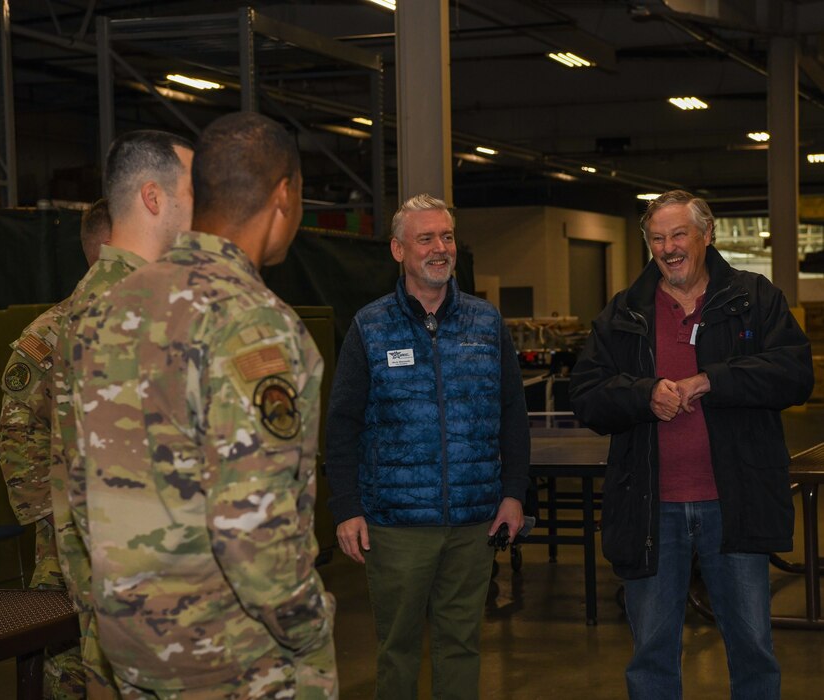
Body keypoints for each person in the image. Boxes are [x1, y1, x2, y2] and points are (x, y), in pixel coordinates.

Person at [63, 111, 336, 699]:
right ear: (284, 195)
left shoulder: (105, 309)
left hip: (132, 644)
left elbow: (81, 486)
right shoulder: (254, 322)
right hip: (231, 656)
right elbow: (253, 529)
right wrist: (310, 626)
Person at [569, 190, 814, 699]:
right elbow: (587, 395)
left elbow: (794, 374)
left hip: (735, 504)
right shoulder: (623, 313)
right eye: (657, 238)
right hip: (650, 510)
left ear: (708, 235)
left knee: (752, 648)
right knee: (652, 654)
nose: (669, 247)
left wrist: (711, 381)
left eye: (680, 234)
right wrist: (643, 395)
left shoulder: (755, 298)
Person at [325, 193, 531, 699]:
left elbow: (512, 416)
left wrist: (513, 493)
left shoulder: (486, 324)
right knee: (396, 650)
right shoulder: (369, 328)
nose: (440, 248)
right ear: (398, 250)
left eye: (447, 237)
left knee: (461, 646)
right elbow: (342, 425)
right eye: (426, 239)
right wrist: (347, 507)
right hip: (395, 528)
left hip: (473, 523)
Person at [50, 129, 195, 698]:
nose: (200, 205)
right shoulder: (124, 309)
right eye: (192, 188)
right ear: (154, 198)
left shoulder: (127, 298)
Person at [0, 197, 112, 699]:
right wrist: (55, 516)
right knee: (67, 659)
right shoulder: (50, 334)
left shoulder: (150, 327)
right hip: (68, 538)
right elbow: (17, 432)